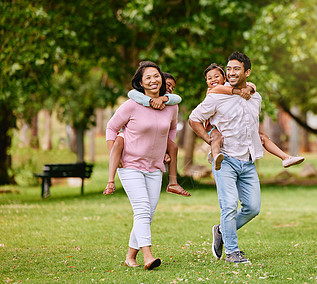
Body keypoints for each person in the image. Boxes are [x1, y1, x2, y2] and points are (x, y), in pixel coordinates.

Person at [189, 51, 262, 264]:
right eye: (228, 68)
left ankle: (221, 230)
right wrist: (209, 140)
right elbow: (194, 119)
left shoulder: (255, 96)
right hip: (225, 160)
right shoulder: (216, 97)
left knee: (253, 208)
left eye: (236, 69)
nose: (231, 72)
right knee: (229, 205)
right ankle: (232, 252)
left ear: (247, 72)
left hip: (247, 161)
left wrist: (250, 88)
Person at [105, 61, 178, 270]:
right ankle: (148, 256)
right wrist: (113, 153)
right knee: (142, 209)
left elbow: (172, 130)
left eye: (156, 76)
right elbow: (111, 127)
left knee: (148, 213)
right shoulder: (132, 105)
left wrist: (166, 149)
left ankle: (130, 257)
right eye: (148, 78)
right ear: (140, 83)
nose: (154, 80)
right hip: (130, 165)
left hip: (154, 167)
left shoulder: (171, 105)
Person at [203, 63, 305, 171]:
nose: (213, 80)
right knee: (216, 137)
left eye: (216, 76)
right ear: (206, 82)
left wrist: (249, 88)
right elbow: (221, 89)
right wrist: (240, 91)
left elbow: (251, 85)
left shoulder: (231, 85)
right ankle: (215, 156)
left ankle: (285, 157)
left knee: (262, 137)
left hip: (235, 130)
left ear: (224, 78)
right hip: (213, 128)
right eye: (209, 78)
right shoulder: (211, 91)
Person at [104, 72, 190, 197]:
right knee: (118, 142)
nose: (170, 89)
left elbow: (173, 124)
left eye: (173, 87)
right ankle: (110, 181)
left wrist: (164, 98)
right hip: (131, 137)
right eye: (168, 85)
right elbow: (131, 94)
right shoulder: (137, 99)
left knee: (174, 147)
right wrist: (150, 101)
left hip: (154, 156)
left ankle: (173, 183)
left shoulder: (171, 104)